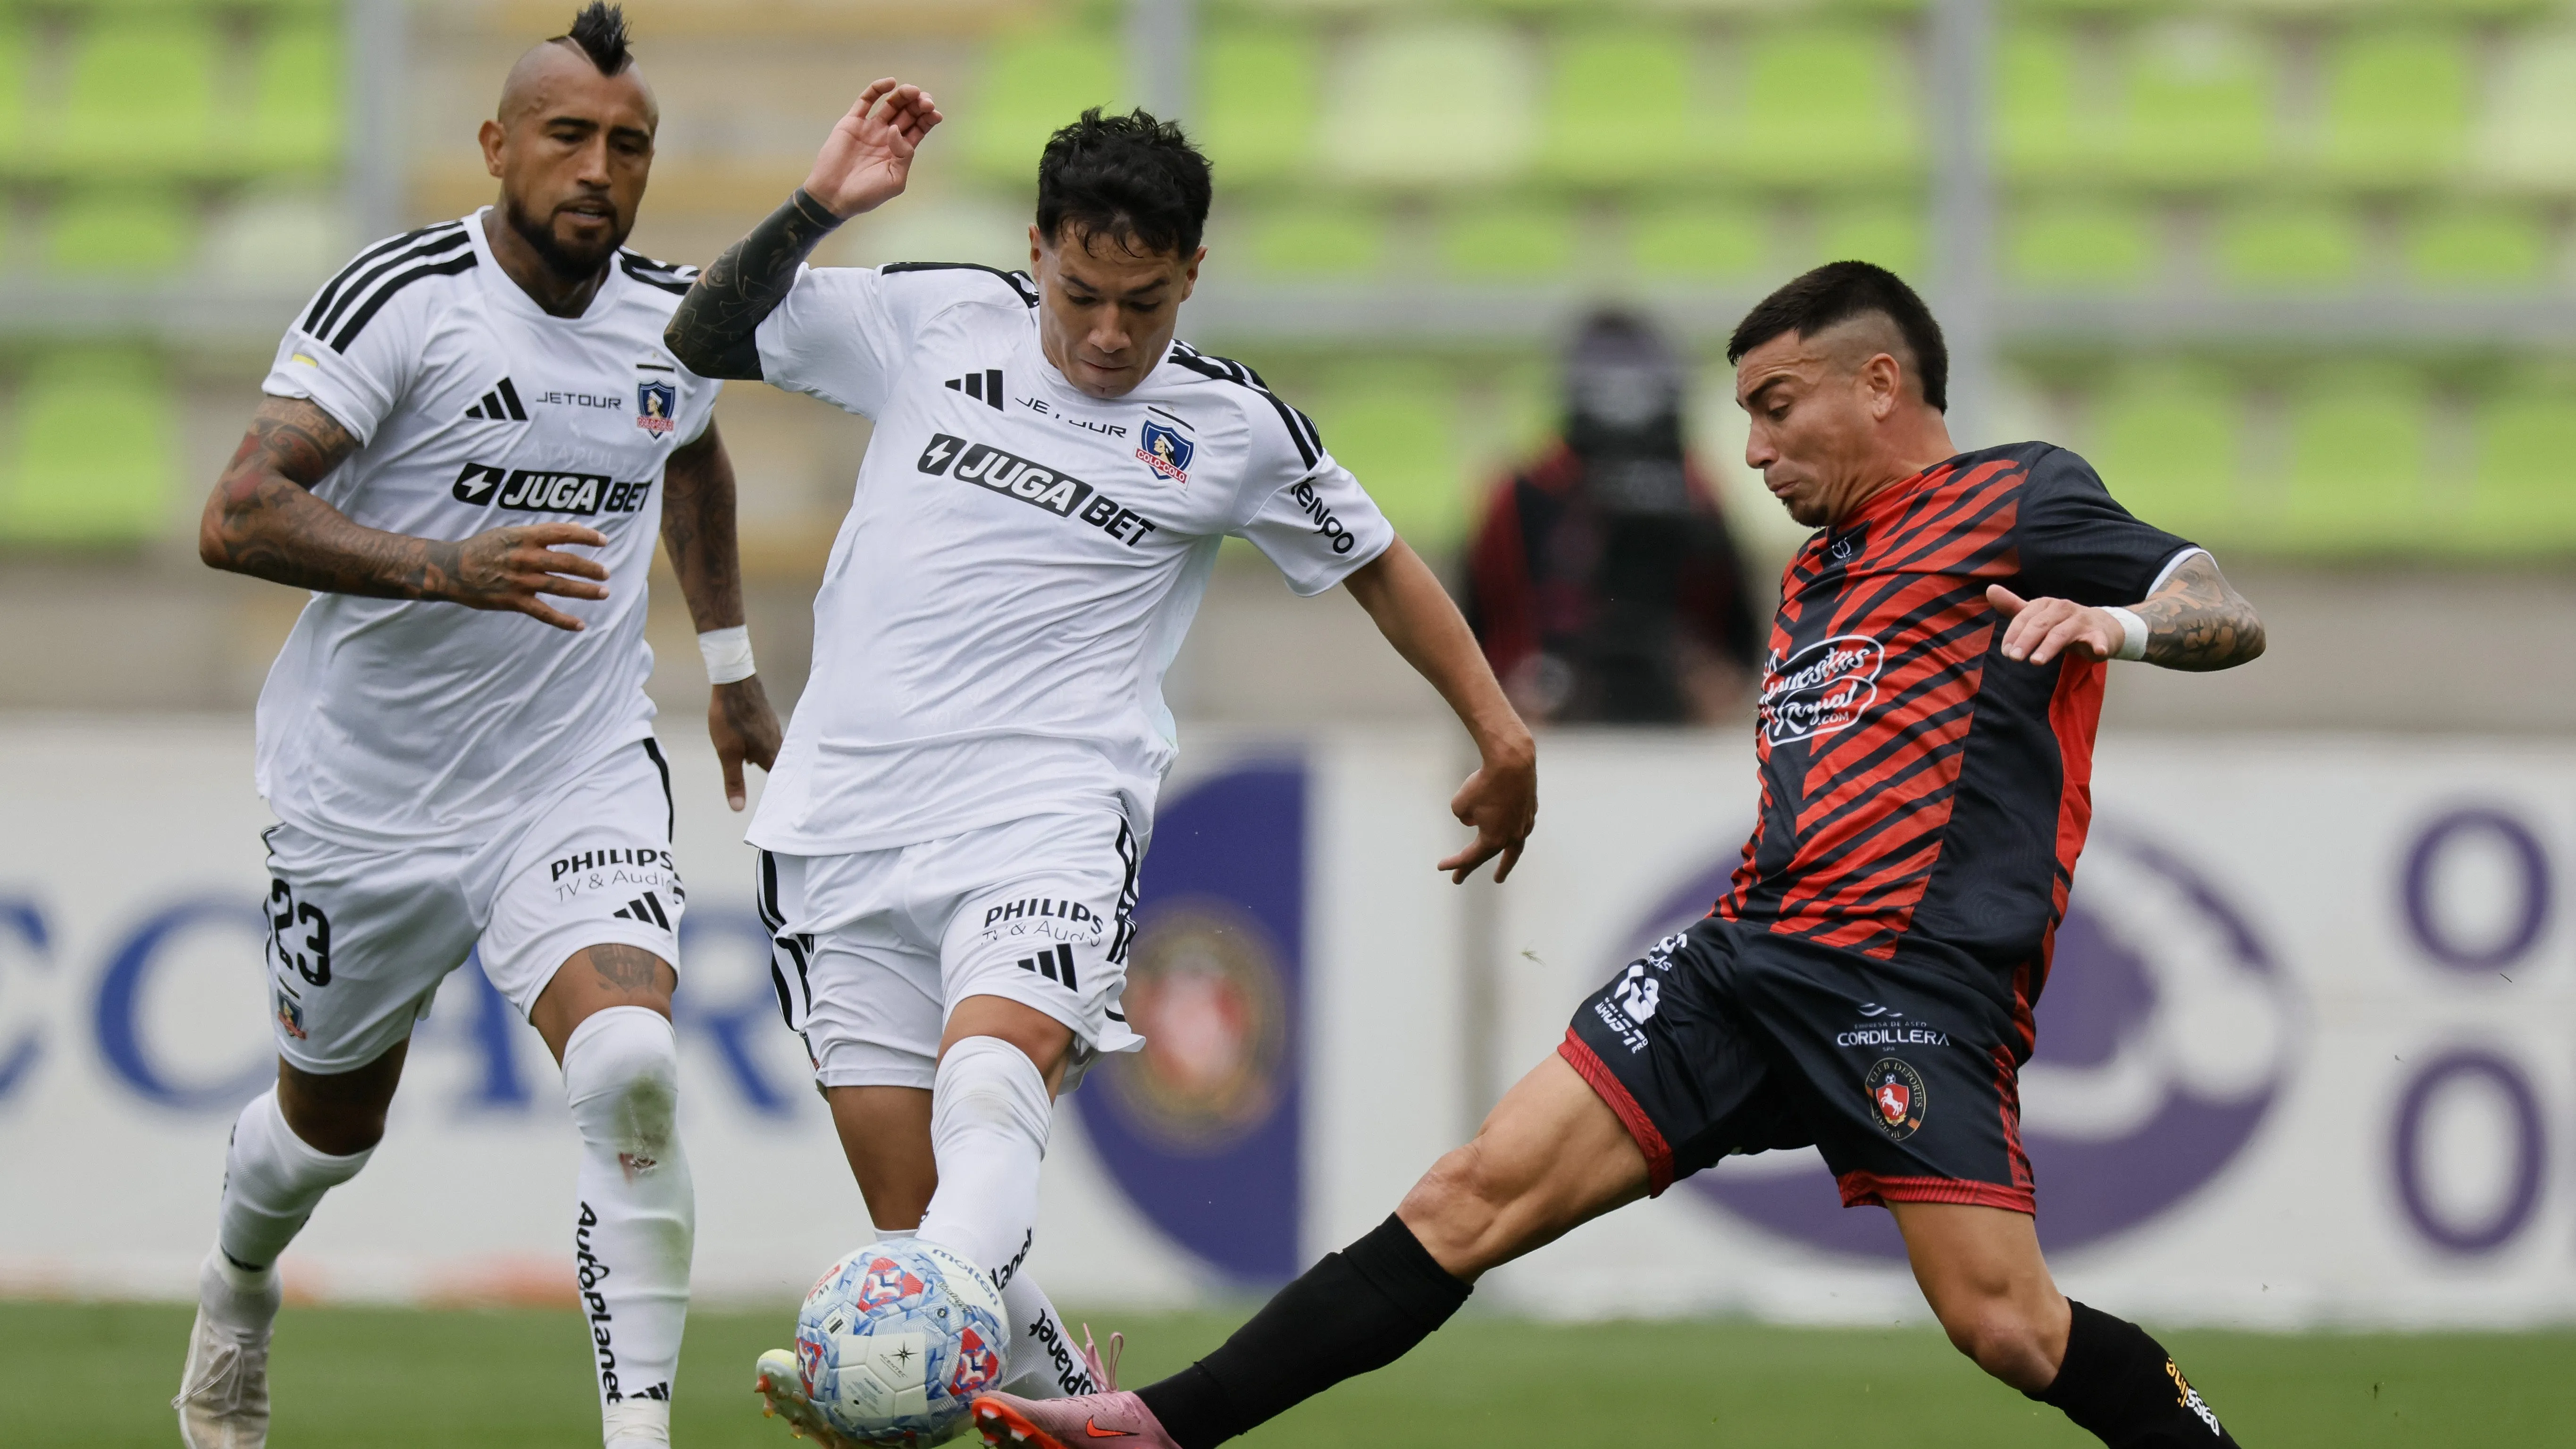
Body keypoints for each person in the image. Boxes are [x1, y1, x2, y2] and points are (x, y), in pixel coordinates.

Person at [969, 262, 2269, 1449]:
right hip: (1744, 961)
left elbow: (2221, 607)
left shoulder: (2014, 494)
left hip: (1909, 986)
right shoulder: (1815, 576)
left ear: (1880, 384)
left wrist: (2115, 622)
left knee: (2009, 1328)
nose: (1750, 449)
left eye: (1775, 406)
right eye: (1743, 415)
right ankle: (1157, 1426)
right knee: (1471, 1193)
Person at [659, 95, 1537, 1439]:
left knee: (986, 1099)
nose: (1111, 334)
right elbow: (702, 337)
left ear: (1192, 273)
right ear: (1035, 252)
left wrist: (1499, 729)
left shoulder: (1230, 427)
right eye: (1080, 295)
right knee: (936, 1238)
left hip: (1047, 818)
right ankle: (1073, 1407)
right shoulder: (938, 318)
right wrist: (820, 203)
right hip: (835, 827)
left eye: (1145, 301)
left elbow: (1378, 565)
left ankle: (890, 1363)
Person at [174, 8, 781, 1448]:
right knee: (324, 1137)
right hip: (364, 795)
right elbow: (237, 511)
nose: (598, 169)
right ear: (497, 145)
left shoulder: (664, 316)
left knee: (631, 1068)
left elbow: (689, 444)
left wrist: (735, 666)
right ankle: (237, 1286)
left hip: (571, 777)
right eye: (567, 136)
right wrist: (447, 565)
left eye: (628, 146)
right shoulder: (402, 301)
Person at [1461, 310, 1760, 724]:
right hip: (1551, 715)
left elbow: (1737, 642)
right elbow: (1473, 628)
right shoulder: (1522, 495)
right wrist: (1512, 685)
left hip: (1675, 724)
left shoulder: (1694, 493)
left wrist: (1709, 677)